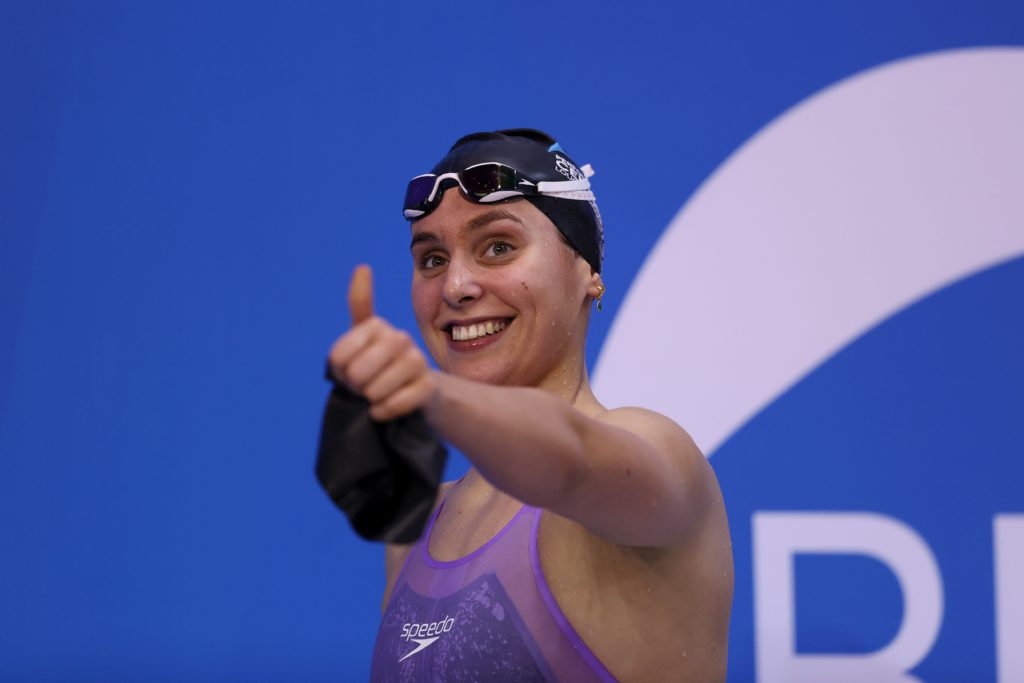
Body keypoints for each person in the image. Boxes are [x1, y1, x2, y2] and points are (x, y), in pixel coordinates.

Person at [327, 129, 733, 682]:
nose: (457, 286)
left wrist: (431, 394)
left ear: (587, 271)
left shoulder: (654, 453)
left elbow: (568, 461)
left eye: (499, 246)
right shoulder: (421, 526)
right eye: (432, 259)